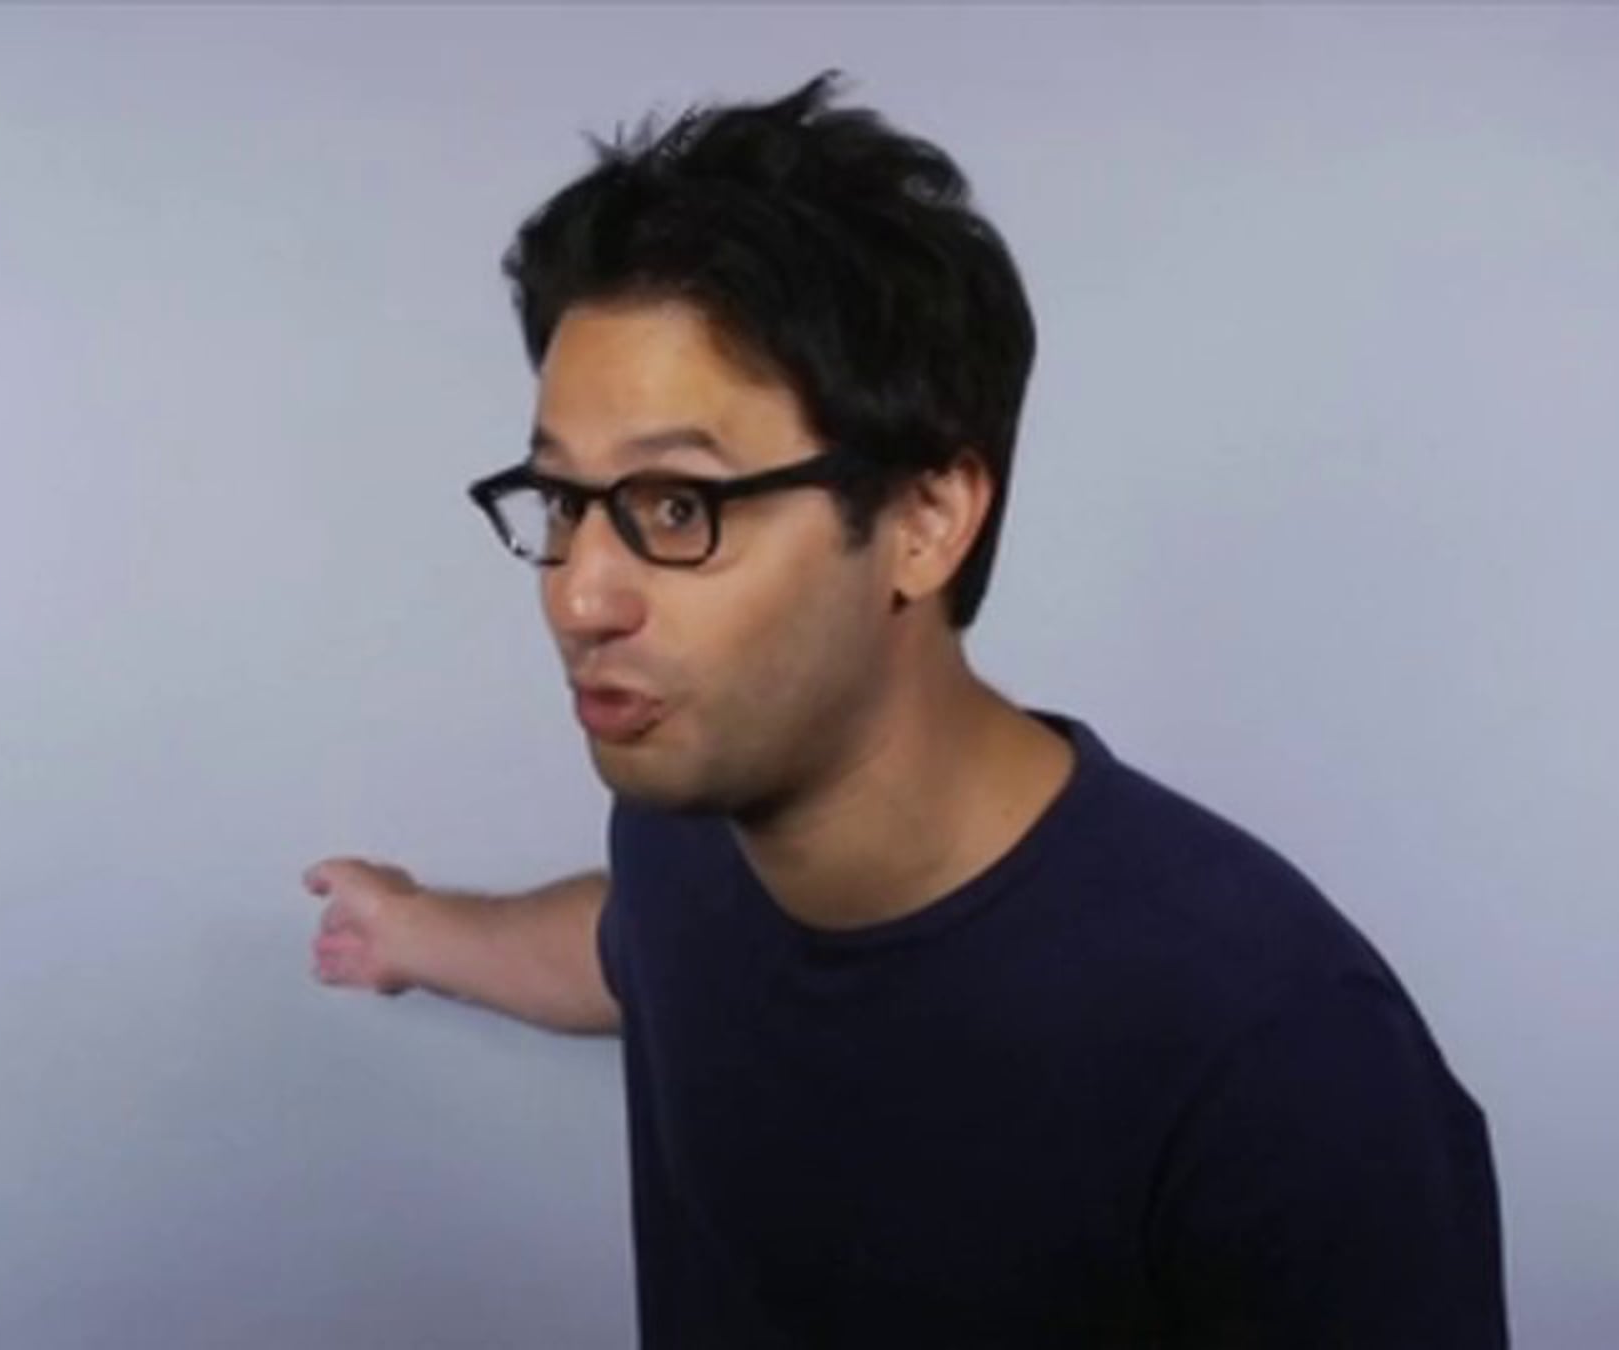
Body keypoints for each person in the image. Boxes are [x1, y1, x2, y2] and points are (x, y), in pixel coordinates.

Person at [301, 72, 1507, 1348]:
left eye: (675, 507)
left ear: (925, 521)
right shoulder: (683, 825)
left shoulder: (1283, 1059)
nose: (578, 595)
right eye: (562, 503)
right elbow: (635, 944)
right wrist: (416, 932)